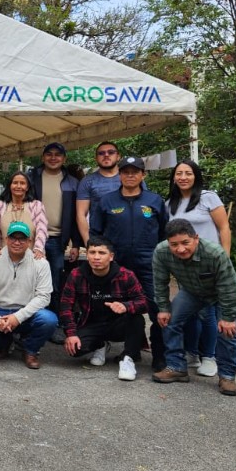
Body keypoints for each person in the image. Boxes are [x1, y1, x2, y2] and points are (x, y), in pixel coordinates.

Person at [88, 156, 168, 369]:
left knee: (157, 307)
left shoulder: (155, 201)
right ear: (120, 175)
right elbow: (96, 233)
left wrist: (160, 259)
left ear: (143, 174)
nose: (130, 175)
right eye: (125, 171)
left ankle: (160, 354)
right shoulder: (107, 201)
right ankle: (130, 350)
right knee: (118, 308)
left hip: (149, 264)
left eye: (135, 171)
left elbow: (164, 234)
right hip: (118, 266)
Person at [166, 159, 236, 374]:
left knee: (208, 312)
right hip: (185, 266)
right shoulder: (170, 202)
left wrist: (225, 256)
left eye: (188, 173)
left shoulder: (208, 197)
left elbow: (224, 227)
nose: (183, 177)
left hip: (210, 264)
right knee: (188, 312)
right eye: (179, 173)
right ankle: (192, 353)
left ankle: (209, 357)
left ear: (195, 176)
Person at [152, 218, 236, 396]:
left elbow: (229, 287)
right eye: (174, 244)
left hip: (222, 293)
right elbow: (160, 282)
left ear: (196, 238)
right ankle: (176, 366)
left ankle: (227, 376)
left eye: (185, 242)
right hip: (192, 291)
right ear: (168, 243)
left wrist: (228, 317)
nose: (180, 249)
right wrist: (163, 308)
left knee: (227, 331)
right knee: (170, 320)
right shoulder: (161, 252)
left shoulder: (214, 253)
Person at [0, 221, 58, 369]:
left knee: (49, 320)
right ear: (6, 239)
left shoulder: (41, 263)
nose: (17, 242)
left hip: (27, 312)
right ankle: (5, 343)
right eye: (13, 238)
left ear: (29, 241)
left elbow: (44, 297)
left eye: (22, 239)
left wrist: (17, 317)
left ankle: (30, 349)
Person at [60, 237, 148, 381]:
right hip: (91, 323)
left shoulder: (126, 275)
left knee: (136, 319)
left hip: (117, 324)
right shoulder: (76, 274)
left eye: (102, 253)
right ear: (86, 255)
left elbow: (144, 302)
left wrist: (125, 306)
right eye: (92, 252)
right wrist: (71, 334)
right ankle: (100, 345)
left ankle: (128, 359)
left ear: (111, 256)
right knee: (74, 349)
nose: (96, 257)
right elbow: (65, 306)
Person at [27, 142, 81, 311]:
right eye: (49, 154)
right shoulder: (31, 178)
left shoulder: (72, 182)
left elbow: (75, 216)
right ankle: (31, 317)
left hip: (58, 240)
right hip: (32, 238)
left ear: (64, 158)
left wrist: (76, 244)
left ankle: (54, 318)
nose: (53, 158)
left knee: (55, 279)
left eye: (58, 154)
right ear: (43, 157)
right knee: (29, 279)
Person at [0, 170, 48, 260]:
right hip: (3, 257)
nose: (18, 186)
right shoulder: (0, 206)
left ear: (27, 187)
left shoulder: (37, 206)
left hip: (32, 256)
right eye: (15, 183)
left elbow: (42, 230)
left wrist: (38, 249)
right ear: (10, 186)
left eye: (22, 183)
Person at [76, 141, 122, 245]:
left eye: (111, 152)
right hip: (99, 238)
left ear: (118, 156)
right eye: (101, 153)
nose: (106, 155)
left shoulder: (130, 178)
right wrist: (88, 242)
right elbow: (81, 214)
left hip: (128, 237)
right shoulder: (87, 181)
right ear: (96, 158)